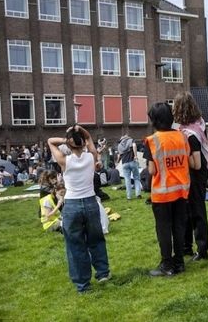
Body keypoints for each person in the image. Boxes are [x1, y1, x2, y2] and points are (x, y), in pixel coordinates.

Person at [47, 125, 110, 293]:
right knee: (96, 239)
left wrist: (66, 140)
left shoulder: (64, 161)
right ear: (83, 143)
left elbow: (50, 141)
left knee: (75, 245)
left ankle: (83, 285)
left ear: (69, 145)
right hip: (90, 202)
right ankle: (103, 273)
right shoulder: (91, 157)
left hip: (72, 205)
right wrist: (81, 130)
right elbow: (89, 138)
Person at [143, 102, 193, 276]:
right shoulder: (182, 137)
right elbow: (186, 158)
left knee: (164, 229)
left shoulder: (152, 141)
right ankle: (179, 262)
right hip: (181, 190)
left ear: (154, 120)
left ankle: (166, 265)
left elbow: (151, 170)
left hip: (162, 194)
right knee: (179, 228)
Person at [174, 92, 208, 261]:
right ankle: (186, 246)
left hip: (195, 174)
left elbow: (195, 163)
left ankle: (202, 250)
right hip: (198, 173)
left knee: (196, 211)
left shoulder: (190, 134)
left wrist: (181, 155)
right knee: (188, 211)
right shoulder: (199, 125)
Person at [117, 134, 142, 200]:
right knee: (136, 178)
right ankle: (138, 194)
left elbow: (119, 155)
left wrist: (117, 162)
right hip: (132, 161)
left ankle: (129, 196)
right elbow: (134, 145)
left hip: (124, 163)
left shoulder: (119, 145)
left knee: (127, 179)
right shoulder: (130, 140)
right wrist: (136, 155)